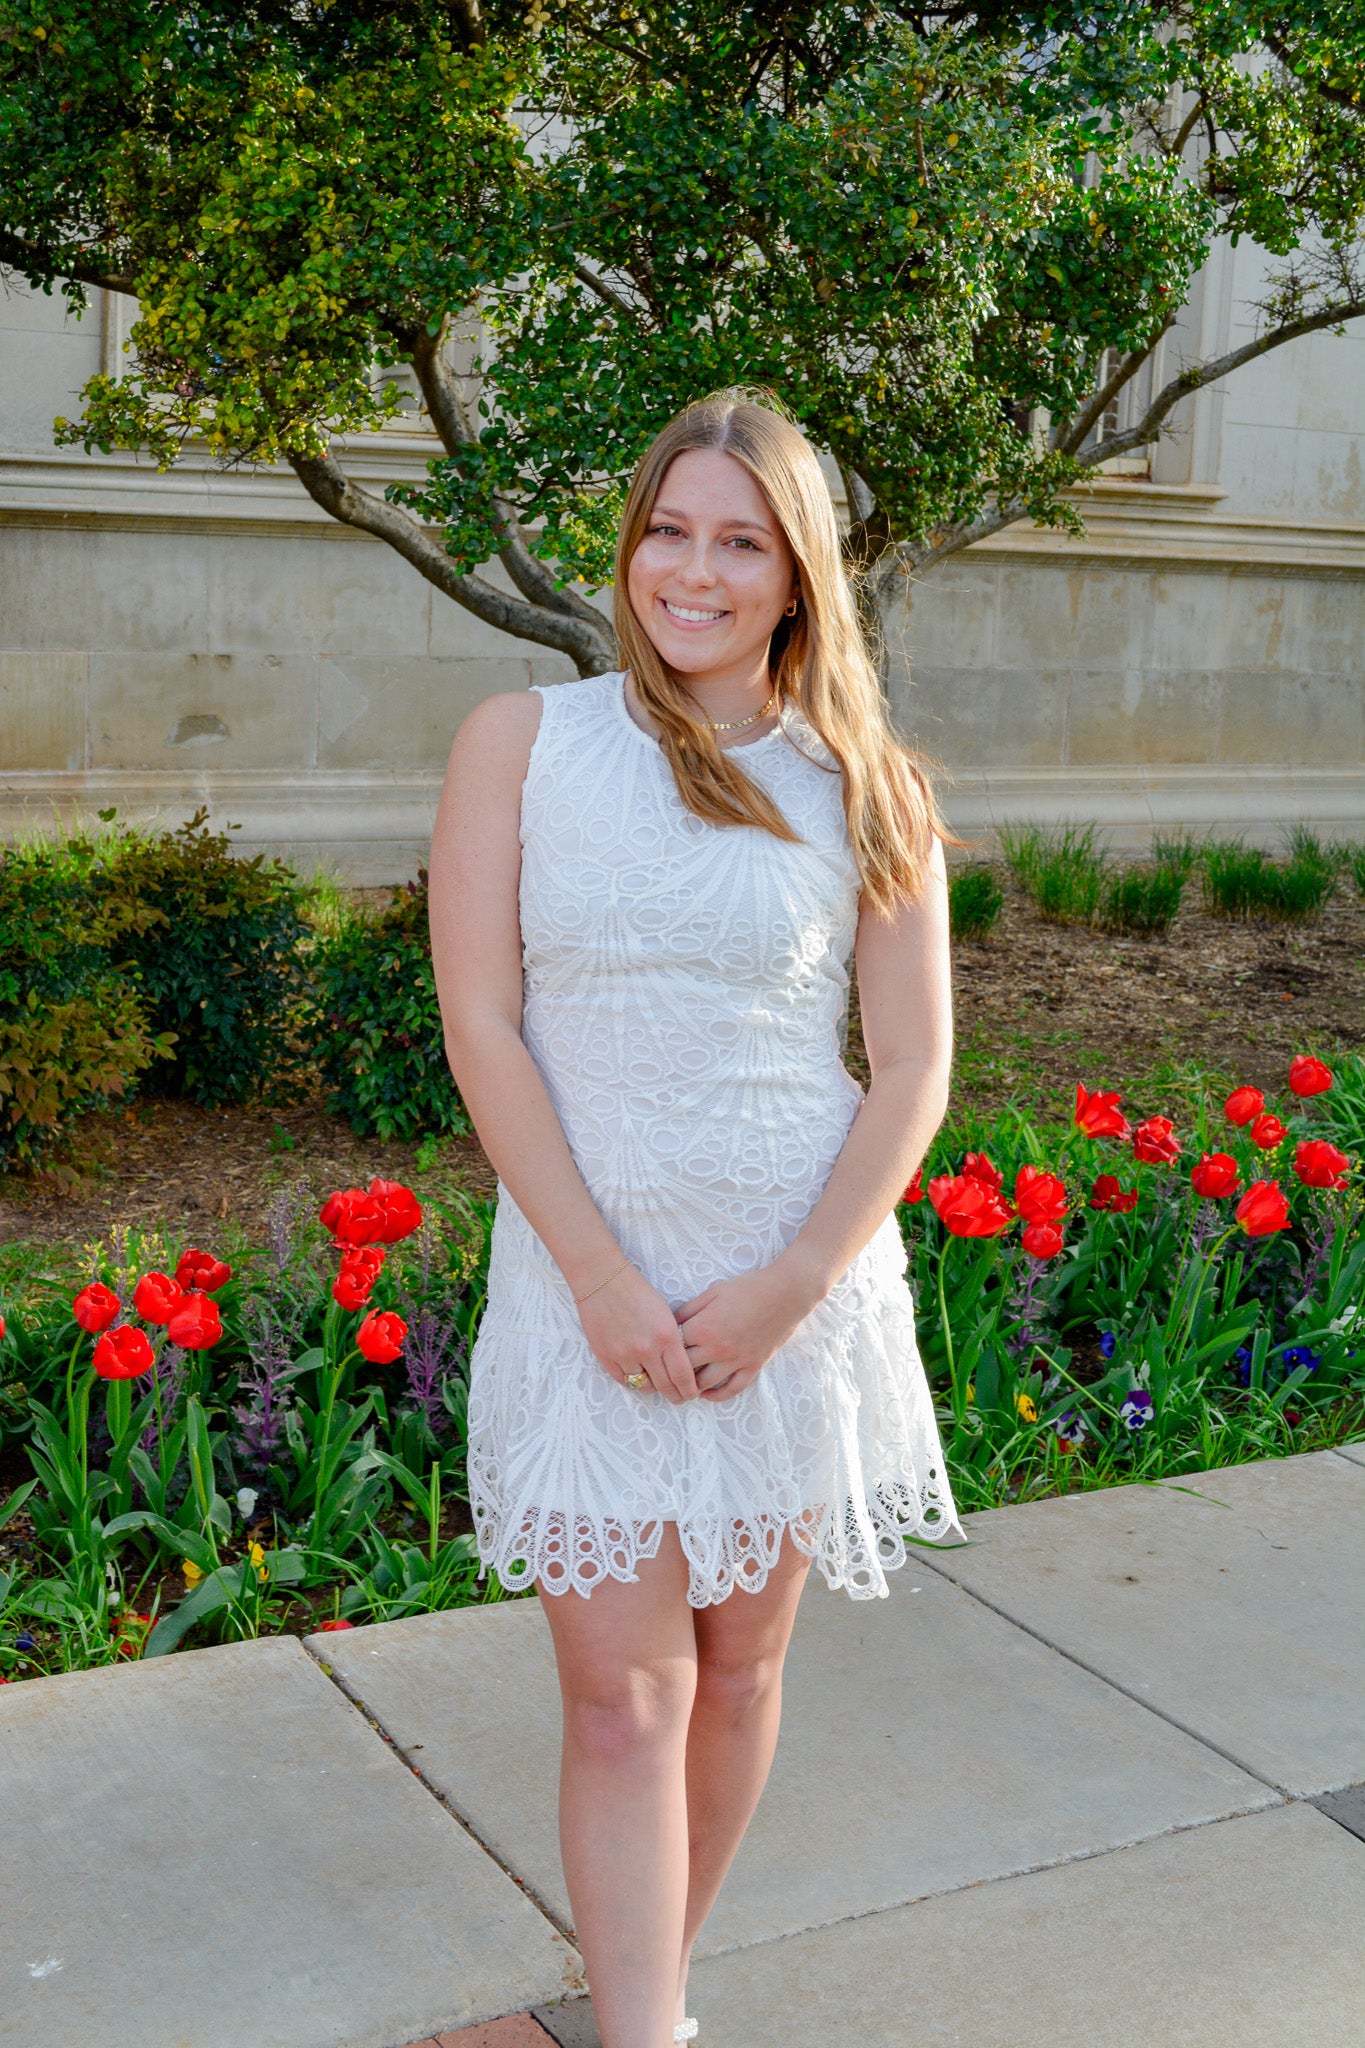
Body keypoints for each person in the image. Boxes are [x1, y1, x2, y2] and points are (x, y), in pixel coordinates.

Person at [428, 389, 964, 2048]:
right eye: (669, 528)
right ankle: (649, 2031)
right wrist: (596, 1274)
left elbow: (913, 1067)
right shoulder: (521, 740)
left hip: (785, 1286)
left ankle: (636, 1997)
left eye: (741, 541)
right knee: (620, 1691)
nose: (695, 571)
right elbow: (483, 1024)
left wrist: (792, 1285)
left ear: (797, 577)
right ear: (629, 545)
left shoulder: (860, 780)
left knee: (732, 1671)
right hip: (590, 1277)